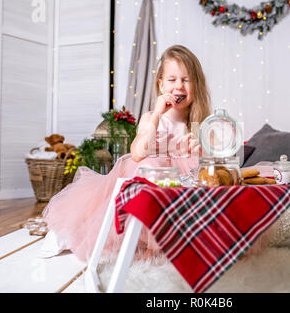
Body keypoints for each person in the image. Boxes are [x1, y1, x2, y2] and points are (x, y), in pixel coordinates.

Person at [40, 45, 212, 262]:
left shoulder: (200, 125)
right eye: (172, 79)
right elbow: (138, 152)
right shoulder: (151, 117)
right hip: (148, 177)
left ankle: (165, 244)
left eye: (186, 80)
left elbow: (210, 164)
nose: (179, 86)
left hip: (182, 182)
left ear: (196, 84)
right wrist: (158, 113)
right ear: (160, 84)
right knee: (146, 171)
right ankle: (70, 234)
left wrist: (198, 150)